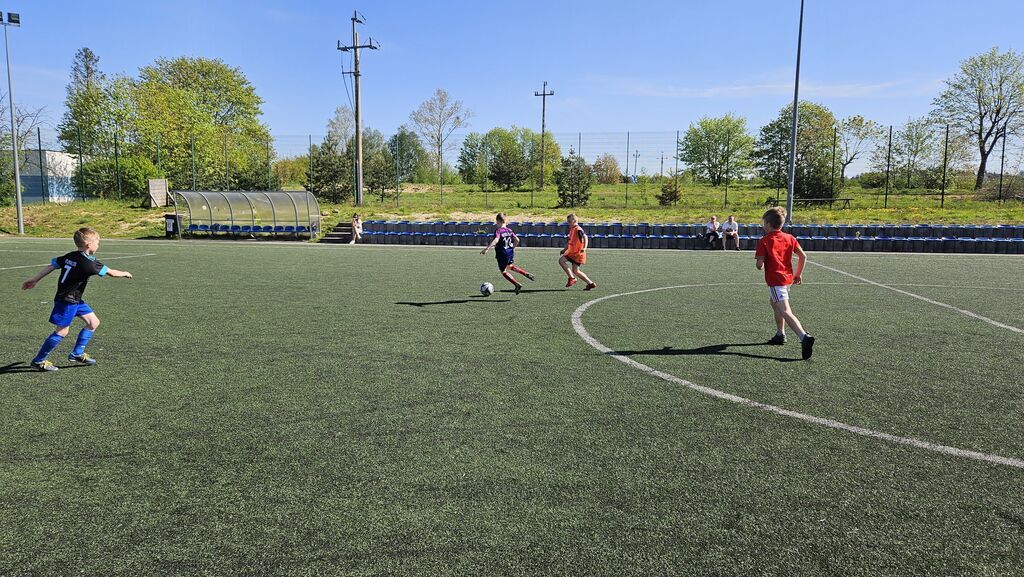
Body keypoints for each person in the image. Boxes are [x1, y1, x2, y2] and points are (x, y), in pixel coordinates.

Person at [21, 227, 134, 371]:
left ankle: (77, 353)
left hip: (75, 299)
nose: (98, 245)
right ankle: (39, 360)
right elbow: (111, 273)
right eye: (97, 242)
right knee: (62, 331)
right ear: (89, 245)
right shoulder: (90, 264)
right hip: (67, 301)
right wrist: (124, 273)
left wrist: (35, 279)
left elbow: (52, 266)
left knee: (93, 322)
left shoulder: (70, 256)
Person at [755, 207, 815, 360]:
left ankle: (803, 337)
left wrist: (761, 261)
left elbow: (759, 265)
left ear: (768, 224)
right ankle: (780, 334)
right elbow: (803, 256)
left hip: (776, 280)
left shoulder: (764, 241)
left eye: (764, 223)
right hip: (787, 278)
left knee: (785, 310)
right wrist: (798, 274)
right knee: (774, 303)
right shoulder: (790, 238)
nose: (763, 226)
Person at [480, 213, 534, 294]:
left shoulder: (498, 231)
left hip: (502, 254)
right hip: (510, 253)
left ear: (498, 221)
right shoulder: (509, 230)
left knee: (503, 271)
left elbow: (496, 240)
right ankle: (524, 273)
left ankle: (516, 284)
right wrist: (512, 248)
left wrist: (487, 248)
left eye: (497, 222)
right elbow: (517, 240)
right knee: (509, 266)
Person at [559, 213, 596, 290]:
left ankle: (572, 278)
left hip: (578, 253)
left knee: (562, 261)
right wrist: (564, 250)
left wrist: (584, 248)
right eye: (568, 221)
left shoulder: (578, 229)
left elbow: (585, 237)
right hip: (573, 253)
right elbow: (570, 241)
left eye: (569, 221)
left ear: (574, 221)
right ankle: (590, 283)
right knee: (576, 271)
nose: (568, 223)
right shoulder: (572, 229)